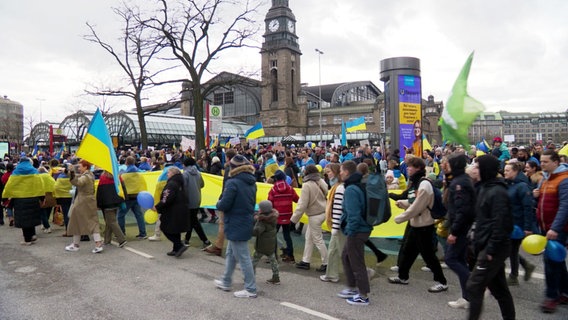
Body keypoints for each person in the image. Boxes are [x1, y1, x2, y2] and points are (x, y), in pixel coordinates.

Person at [388, 156, 448, 293]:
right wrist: (403, 203)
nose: (408, 168)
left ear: (419, 168)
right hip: (417, 224)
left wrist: (400, 218)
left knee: (428, 256)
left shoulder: (424, 185)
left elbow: (418, 207)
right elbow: (415, 203)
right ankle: (403, 276)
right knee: (409, 252)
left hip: (424, 225)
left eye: (411, 166)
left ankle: (442, 282)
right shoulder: (417, 183)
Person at [466, 155, 515, 320]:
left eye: (478, 167)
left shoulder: (497, 191)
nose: (474, 169)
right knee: (499, 288)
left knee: (474, 286)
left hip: (493, 248)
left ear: (485, 170)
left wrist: (491, 249)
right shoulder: (483, 187)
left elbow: (501, 223)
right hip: (485, 245)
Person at [214, 154, 257, 298]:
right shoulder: (251, 182)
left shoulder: (233, 183)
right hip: (244, 221)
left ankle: (250, 289)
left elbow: (225, 203)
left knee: (243, 256)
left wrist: (218, 204)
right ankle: (226, 281)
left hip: (235, 222)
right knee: (231, 254)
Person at [534, 149, 568, 313]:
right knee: (558, 261)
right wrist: (536, 194)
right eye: (541, 161)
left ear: (556, 162)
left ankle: (551, 297)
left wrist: (555, 228)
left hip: (557, 229)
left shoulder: (564, 179)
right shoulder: (546, 179)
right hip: (545, 227)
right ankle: (565, 292)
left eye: (545, 162)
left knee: (550, 262)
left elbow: (565, 206)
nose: (542, 164)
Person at [335, 160, 373, 306]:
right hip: (361, 228)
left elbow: (353, 214)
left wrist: (350, 231)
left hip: (357, 230)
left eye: (341, 171)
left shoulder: (350, 189)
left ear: (346, 172)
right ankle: (352, 287)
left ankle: (363, 295)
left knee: (356, 262)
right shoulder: (358, 185)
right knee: (346, 256)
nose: (339, 173)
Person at [445, 154, 476, 309]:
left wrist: (454, 232)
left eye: (449, 164)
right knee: (461, 260)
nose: (447, 166)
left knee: (451, 259)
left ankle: (474, 285)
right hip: (462, 227)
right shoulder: (461, 180)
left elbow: (462, 210)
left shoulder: (459, 183)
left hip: (461, 228)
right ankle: (467, 298)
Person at [290, 164, 328, 272]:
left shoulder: (307, 185)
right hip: (322, 212)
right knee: (309, 238)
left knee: (317, 239)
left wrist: (293, 220)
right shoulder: (321, 181)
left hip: (314, 215)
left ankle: (326, 263)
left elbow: (302, 205)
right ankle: (305, 261)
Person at [503, 162, 536, 285]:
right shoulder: (509, 184)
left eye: (507, 170)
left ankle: (514, 276)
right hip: (510, 222)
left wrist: (527, 227)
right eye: (504, 170)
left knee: (511, 249)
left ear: (515, 171)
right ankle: (526, 266)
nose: (504, 172)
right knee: (512, 249)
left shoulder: (522, 186)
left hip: (518, 224)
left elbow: (527, 208)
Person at [65, 160, 104, 253]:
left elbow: (78, 182)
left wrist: (71, 172)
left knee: (75, 221)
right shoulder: (90, 175)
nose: (78, 168)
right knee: (93, 222)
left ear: (85, 167)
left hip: (82, 201)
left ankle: (75, 244)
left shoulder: (85, 177)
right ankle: (98, 244)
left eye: (80, 166)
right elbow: (77, 177)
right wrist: (69, 172)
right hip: (90, 200)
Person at [2, 157, 44, 245]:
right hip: (33, 198)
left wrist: (5, 197)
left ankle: (27, 240)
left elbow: (9, 186)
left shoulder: (15, 172)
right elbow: (40, 185)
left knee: (24, 220)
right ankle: (33, 235)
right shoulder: (34, 171)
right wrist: (41, 198)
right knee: (31, 218)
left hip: (20, 199)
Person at [204, 148, 237, 256]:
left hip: (227, 198)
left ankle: (219, 247)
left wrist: (222, 199)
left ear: (227, 157)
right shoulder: (240, 169)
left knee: (223, 224)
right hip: (237, 200)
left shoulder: (229, 169)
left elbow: (227, 185)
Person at [154, 166, 191, 257]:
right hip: (182, 208)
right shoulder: (181, 183)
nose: (167, 174)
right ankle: (176, 249)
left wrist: (158, 207)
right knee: (176, 230)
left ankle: (179, 245)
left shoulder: (171, 184)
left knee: (165, 228)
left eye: (168, 173)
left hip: (173, 210)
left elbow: (166, 198)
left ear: (173, 174)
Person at [320, 163, 345, 283]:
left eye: (329, 172)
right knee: (335, 251)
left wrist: (335, 226)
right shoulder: (336, 187)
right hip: (338, 226)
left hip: (338, 226)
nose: (327, 174)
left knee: (339, 252)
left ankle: (363, 273)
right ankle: (331, 274)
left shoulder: (339, 188)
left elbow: (337, 208)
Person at [267, 169, 299, 263]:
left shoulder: (273, 190)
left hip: (276, 216)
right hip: (288, 216)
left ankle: (273, 256)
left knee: (273, 235)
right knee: (287, 236)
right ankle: (290, 255)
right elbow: (297, 200)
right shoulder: (290, 188)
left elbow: (269, 203)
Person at [182, 157, 211, 248]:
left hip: (188, 200)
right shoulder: (198, 173)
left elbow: (183, 188)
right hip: (197, 198)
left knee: (194, 221)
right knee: (192, 219)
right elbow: (202, 184)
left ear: (185, 165)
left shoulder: (185, 174)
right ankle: (187, 239)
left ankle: (205, 240)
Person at [117, 156, 148, 239]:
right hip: (137, 197)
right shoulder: (139, 175)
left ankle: (121, 233)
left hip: (127, 198)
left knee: (120, 215)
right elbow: (143, 185)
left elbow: (120, 187)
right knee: (139, 215)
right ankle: (143, 233)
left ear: (126, 163)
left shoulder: (123, 175)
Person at [251, 200, 280, 285]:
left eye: (259, 208)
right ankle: (276, 277)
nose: (258, 210)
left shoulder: (262, 222)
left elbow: (256, 232)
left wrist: (251, 228)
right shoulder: (273, 218)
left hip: (261, 245)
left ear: (262, 210)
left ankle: (250, 276)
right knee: (273, 261)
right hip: (271, 244)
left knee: (254, 261)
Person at [96, 171, 127, 248]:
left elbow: (100, 192)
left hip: (107, 203)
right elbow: (123, 188)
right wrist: (124, 199)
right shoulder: (118, 177)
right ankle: (107, 240)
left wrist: (98, 204)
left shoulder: (103, 178)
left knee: (112, 221)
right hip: (117, 201)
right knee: (109, 221)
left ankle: (122, 239)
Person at [1, 162, 15, 227]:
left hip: (7, 192)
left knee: (8, 207)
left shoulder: (4, 176)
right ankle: (15, 219)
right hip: (15, 192)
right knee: (15, 206)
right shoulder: (14, 175)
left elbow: (3, 184)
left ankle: (10, 218)